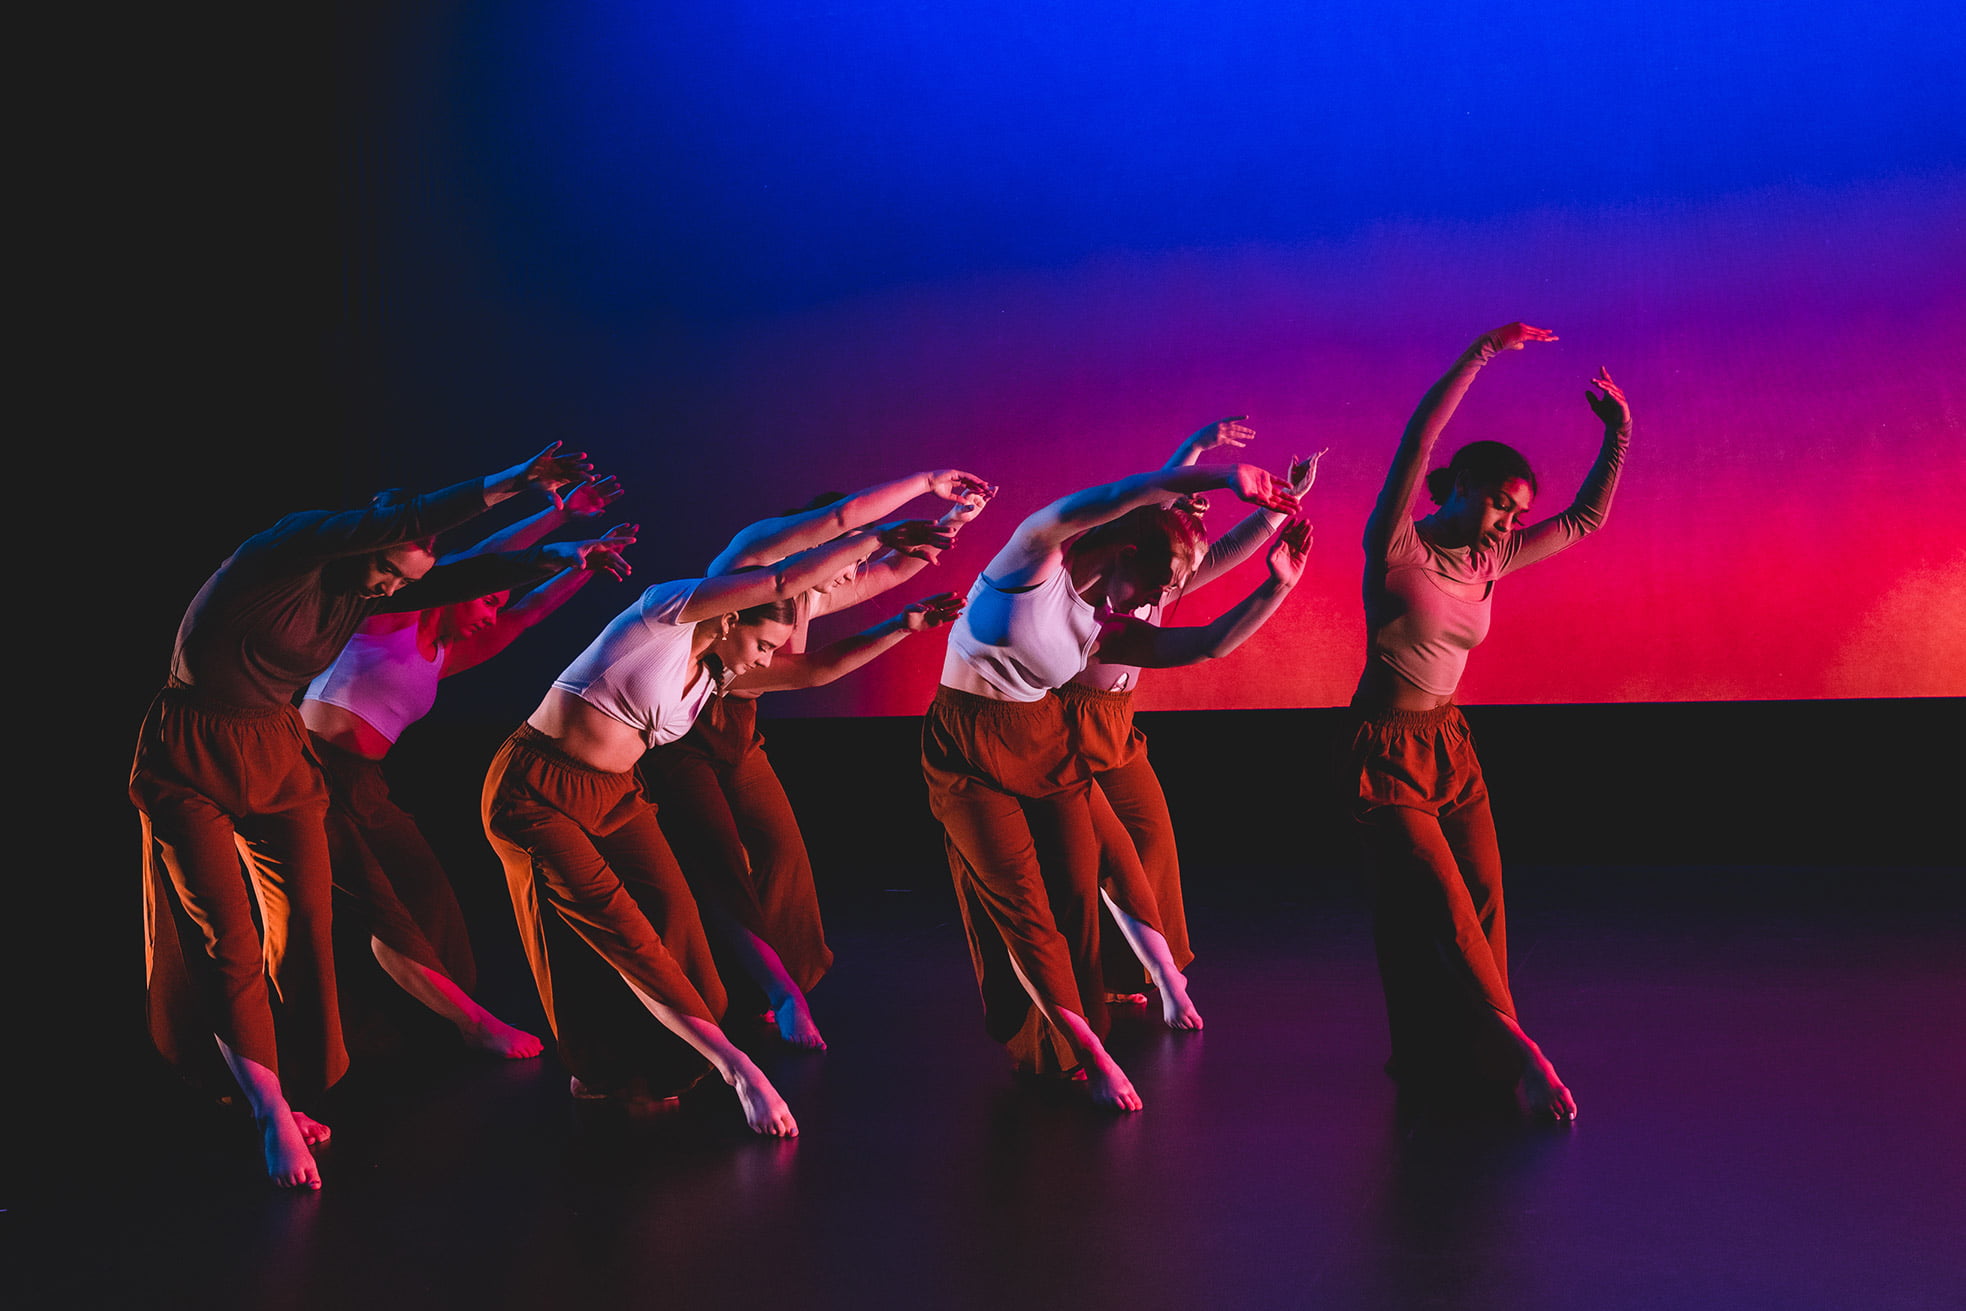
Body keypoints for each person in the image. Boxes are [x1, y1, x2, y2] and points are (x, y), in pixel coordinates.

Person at [134, 444, 624, 1188]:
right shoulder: (282, 553)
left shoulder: (363, 593)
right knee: (226, 937)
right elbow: (416, 521)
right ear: (367, 538)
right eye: (389, 570)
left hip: (277, 751)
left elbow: (464, 580)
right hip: (193, 749)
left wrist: (565, 552)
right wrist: (514, 484)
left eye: (401, 581)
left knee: (304, 928)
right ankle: (269, 1111)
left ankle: (286, 1087)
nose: (394, 588)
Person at [482, 514, 959, 1136]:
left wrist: (904, 622)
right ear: (734, 617)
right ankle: (734, 1071)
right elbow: (786, 570)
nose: (769, 657)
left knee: (676, 920)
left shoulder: (716, 672)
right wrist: (884, 527)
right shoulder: (662, 614)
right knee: (625, 936)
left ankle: (628, 1070)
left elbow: (814, 670)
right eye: (764, 643)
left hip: (616, 793)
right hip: (537, 789)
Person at [926, 457, 1308, 1110]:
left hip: (1042, 736)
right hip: (965, 743)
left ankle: (1119, 1006)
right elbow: (1118, 492)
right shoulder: (1034, 557)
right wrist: (1222, 475)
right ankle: (1087, 1053)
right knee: (1023, 907)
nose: (1155, 600)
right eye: (1157, 581)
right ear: (1126, 548)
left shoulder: (1107, 627)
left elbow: (1207, 643)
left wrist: (1276, 587)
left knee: (1080, 891)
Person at [1347, 322, 1631, 1122]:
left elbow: (1583, 522)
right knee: (1436, 901)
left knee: (1485, 901)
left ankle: (1470, 1050)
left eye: (1517, 512)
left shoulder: (1491, 560)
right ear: (1462, 489)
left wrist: (1619, 433)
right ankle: (1525, 1053)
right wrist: (1480, 354)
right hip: (1384, 749)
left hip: (1451, 744)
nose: (1510, 522)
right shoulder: (1395, 545)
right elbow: (1420, 433)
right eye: (1501, 505)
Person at [639, 469, 992, 1051]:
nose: (855, 575)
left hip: (740, 732)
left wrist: (955, 520)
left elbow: (893, 570)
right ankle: (760, 993)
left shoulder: (806, 590)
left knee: (781, 852)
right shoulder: (750, 561)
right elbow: (842, 525)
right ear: (817, 545)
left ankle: (770, 987)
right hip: (683, 731)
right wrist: (928, 483)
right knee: (719, 864)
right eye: (849, 556)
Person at [301, 474, 634, 1060]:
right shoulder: (387, 617)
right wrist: (555, 517)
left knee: (429, 900)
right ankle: (473, 1025)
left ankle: (419, 1027)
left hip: (365, 787)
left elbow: (526, 614)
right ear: (455, 591)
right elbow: (482, 560)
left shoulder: (445, 655)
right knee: (383, 911)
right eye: (485, 597)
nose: (494, 610)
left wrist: (583, 565)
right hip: (308, 773)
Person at [1063, 420, 1324, 1029]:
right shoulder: (1101, 573)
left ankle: (1138, 971)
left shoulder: (1169, 569)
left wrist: (1287, 502)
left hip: (1117, 728)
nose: (1201, 508)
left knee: (1150, 841)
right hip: (1065, 727)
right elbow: (1154, 491)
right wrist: (1199, 449)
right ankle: (1093, 975)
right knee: (1092, 857)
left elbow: (1228, 552)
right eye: (1190, 503)